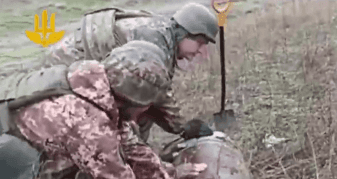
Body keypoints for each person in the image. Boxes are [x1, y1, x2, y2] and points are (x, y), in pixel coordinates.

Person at [37, 2, 219, 143]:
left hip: (77, 62)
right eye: (200, 43)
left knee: (141, 106)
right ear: (185, 33)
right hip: (64, 66)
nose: (199, 51)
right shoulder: (155, 43)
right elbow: (159, 95)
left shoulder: (164, 32)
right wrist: (184, 127)